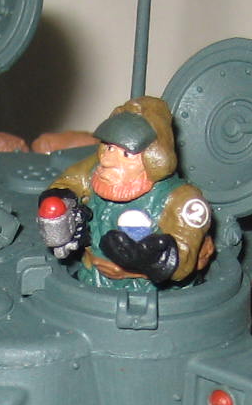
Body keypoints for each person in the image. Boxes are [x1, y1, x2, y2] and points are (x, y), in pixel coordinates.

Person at [36, 96, 213, 287]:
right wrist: (62, 204)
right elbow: (68, 182)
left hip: (152, 294)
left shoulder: (183, 200)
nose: (107, 160)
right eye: (109, 147)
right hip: (92, 280)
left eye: (126, 154)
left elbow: (184, 260)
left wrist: (144, 264)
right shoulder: (96, 170)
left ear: (153, 157)